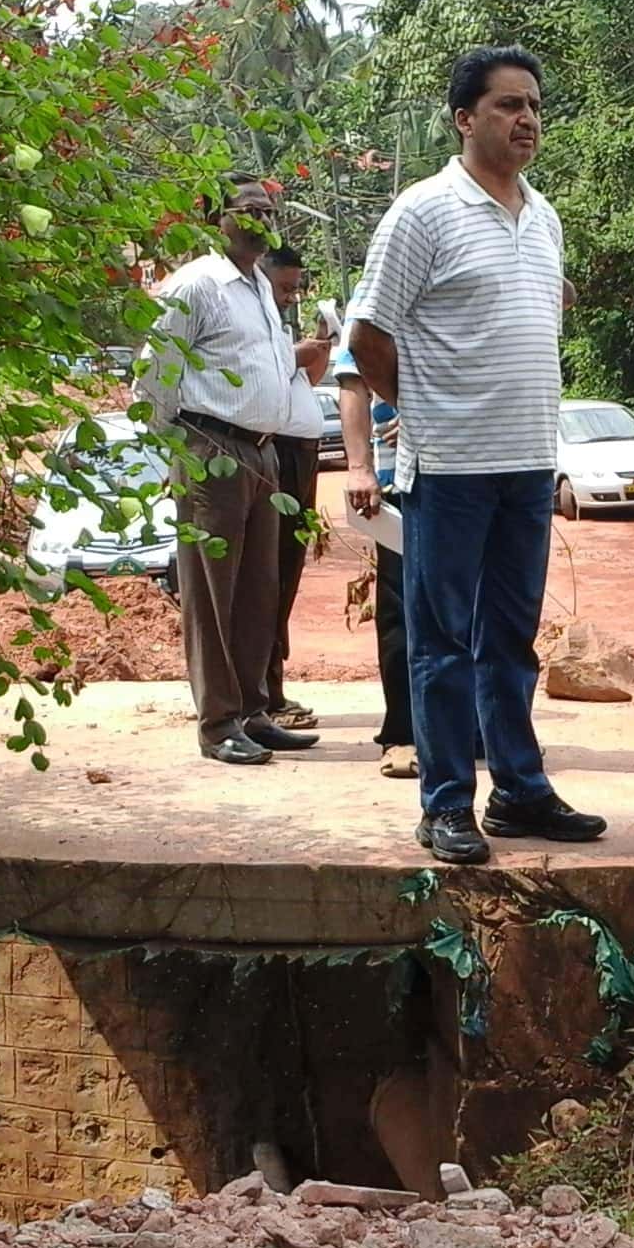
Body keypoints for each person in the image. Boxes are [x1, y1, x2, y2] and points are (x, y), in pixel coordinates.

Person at [347, 45, 606, 866]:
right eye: (506, 105)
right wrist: (426, 408)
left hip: (529, 464)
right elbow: (365, 336)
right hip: (450, 470)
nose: (526, 119)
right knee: (441, 643)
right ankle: (447, 803)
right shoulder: (421, 213)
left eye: (533, 105)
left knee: (509, 641)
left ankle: (521, 792)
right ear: (464, 119)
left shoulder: (547, 215)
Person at [136, 179, 326, 765]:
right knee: (213, 592)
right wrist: (180, 450)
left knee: (257, 591)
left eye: (271, 211)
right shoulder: (196, 285)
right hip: (211, 449)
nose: (265, 220)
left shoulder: (261, 291)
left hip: (264, 454)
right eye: (251, 211)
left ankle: (252, 710)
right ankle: (218, 724)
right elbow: (153, 377)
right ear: (217, 218)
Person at [332, 332, 418, 779]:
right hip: (402, 484)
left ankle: (478, 729)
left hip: (476, 476)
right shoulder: (377, 296)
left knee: (479, 611)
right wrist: (359, 467)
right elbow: (353, 386)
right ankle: (403, 733)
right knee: (402, 611)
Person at [259, 243, 335, 733]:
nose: (291, 297)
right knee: (271, 573)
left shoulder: (275, 321)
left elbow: (305, 378)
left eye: (296, 288)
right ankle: (265, 694)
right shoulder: (251, 318)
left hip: (301, 456)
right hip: (278, 455)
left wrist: (315, 350)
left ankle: (272, 687)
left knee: (288, 569)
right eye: (284, 287)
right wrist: (294, 355)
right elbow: (257, 377)